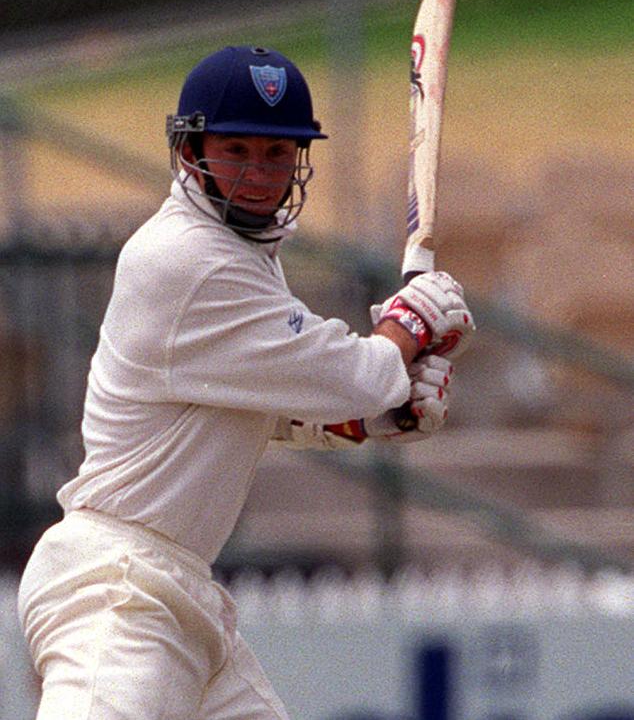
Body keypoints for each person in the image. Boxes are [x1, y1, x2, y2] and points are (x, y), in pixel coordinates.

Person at [18, 45, 475, 720]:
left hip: (179, 594)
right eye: (236, 149)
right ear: (189, 150)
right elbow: (353, 373)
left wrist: (380, 413)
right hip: (117, 590)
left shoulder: (243, 258)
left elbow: (279, 408)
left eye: (277, 154)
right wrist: (410, 324)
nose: (258, 175)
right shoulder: (186, 259)